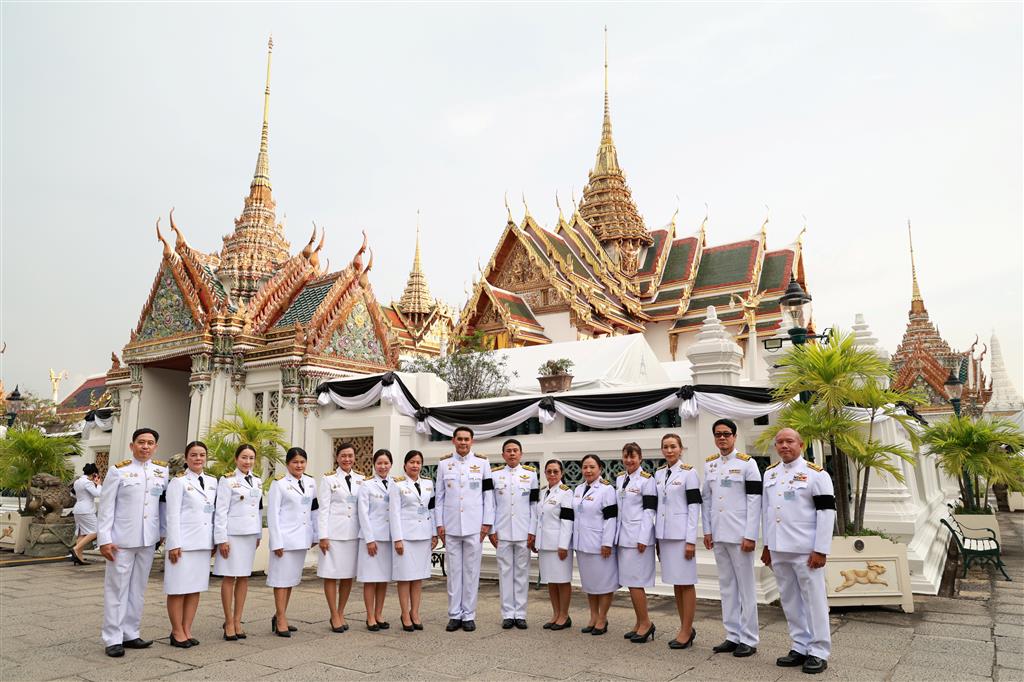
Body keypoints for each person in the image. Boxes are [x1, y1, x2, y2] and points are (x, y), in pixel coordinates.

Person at [760, 428, 835, 675]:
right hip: (780, 548)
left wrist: (821, 549)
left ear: (800, 444)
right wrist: (768, 545)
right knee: (790, 600)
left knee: (814, 600)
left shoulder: (816, 475)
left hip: (806, 550)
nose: (784, 446)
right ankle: (800, 645)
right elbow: (767, 511)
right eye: (780, 442)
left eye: (789, 441)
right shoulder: (770, 473)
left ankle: (819, 650)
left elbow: (826, 513)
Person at [97, 427, 167, 657]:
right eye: (141, 442)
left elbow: (161, 506)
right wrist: (105, 539)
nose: (145, 446)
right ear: (132, 445)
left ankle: (131, 632)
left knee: (138, 589)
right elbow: (106, 508)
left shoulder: (160, 471)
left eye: (150, 443)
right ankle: (112, 637)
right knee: (117, 589)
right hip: (121, 540)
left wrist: (163, 533)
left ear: (155, 446)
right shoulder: (118, 471)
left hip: (148, 539)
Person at [702, 418, 762, 657]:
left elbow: (754, 500)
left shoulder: (748, 464)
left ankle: (749, 638)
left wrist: (750, 534)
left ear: (735, 437)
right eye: (718, 434)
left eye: (726, 434)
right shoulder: (710, 465)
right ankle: (732, 634)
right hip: (718, 534)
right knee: (727, 587)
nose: (722, 438)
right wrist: (707, 530)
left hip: (740, 536)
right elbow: (707, 499)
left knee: (746, 588)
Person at [434, 426, 494, 633]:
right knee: (454, 572)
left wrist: (487, 523)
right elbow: (439, 497)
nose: (463, 442)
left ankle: (468, 615)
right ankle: (454, 615)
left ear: (472, 441)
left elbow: (488, 496)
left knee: (471, 572)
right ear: (453, 441)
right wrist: (439, 524)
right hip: (451, 526)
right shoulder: (444, 464)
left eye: (466, 439)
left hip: (474, 527)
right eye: (459, 439)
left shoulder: (483, 463)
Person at [163, 441, 217, 648]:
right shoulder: (178, 482)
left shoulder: (212, 482)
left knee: (195, 588)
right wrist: (174, 543)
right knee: (178, 588)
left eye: (202, 455)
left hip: (203, 542)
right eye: (193, 455)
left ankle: (187, 629)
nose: (198, 459)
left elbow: (212, 514)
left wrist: (213, 541)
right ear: (186, 458)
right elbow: (172, 515)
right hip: (183, 543)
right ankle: (176, 632)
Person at [655, 433, 702, 649]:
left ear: (681, 449)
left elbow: (694, 507)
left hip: (682, 536)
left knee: (686, 582)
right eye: (665, 447)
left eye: (673, 446)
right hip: (665, 536)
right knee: (676, 582)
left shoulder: (689, 473)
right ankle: (684, 626)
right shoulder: (658, 474)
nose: (669, 450)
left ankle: (686, 630)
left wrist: (691, 540)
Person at [213, 444, 262, 640]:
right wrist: (221, 539)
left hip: (250, 535)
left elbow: (257, 509)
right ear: (236, 459)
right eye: (244, 457)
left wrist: (258, 534)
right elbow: (221, 511)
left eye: (251, 458)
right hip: (232, 535)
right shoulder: (227, 481)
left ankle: (238, 619)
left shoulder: (257, 481)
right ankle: (228, 621)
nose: (247, 461)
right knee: (229, 577)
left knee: (243, 577)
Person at [267, 447, 318, 637]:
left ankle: (281, 615)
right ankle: (281, 619)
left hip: (302, 538)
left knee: (290, 580)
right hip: (285, 540)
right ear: (288, 464)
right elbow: (273, 515)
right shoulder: (279, 484)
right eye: (295, 462)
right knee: (281, 581)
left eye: (302, 462)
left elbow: (314, 510)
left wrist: (315, 536)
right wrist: (277, 542)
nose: (299, 465)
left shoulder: (311, 482)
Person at [488, 438, 539, 630]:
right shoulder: (495, 475)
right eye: (508, 450)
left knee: (522, 573)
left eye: (515, 450)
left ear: (521, 454)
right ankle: (508, 613)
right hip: (502, 532)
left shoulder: (530, 475)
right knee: (505, 572)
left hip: (523, 531)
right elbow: (490, 505)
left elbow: (534, 505)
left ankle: (521, 613)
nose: (511, 453)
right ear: (503, 455)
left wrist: (532, 530)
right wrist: (491, 530)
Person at [317, 442, 365, 633]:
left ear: (354, 458)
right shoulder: (328, 479)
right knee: (330, 574)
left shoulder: (361, 479)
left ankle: (340, 611)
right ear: (337, 458)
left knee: (347, 576)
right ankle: (333, 613)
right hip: (334, 534)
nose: (347, 459)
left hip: (353, 534)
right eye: (343, 456)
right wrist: (323, 536)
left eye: (350, 456)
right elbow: (323, 509)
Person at [389, 450, 437, 631]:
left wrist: (433, 534)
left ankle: (415, 612)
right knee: (405, 577)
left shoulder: (428, 483)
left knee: (418, 577)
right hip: (406, 537)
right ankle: (404, 613)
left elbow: (431, 510)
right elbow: (394, 513)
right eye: (411, 462)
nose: (415, 465)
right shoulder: (397, 484)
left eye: (418, 462)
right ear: (405, 465)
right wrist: (398, 539)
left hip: (423, 536)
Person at [616, 442, 658, 643]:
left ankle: (646, 623)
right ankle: (639, 622)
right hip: (623, 538)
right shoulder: (620, 479)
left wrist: (643, 537)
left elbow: (649, 510)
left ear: (640, 458)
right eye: (626, 456)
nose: (629, 460)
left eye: (633, 457)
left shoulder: (647, 480)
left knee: (636, 583)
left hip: (638, 539)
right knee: (630, 583)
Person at [573, 453, 618, 636]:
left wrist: (607, 542)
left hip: (601, 545)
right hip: (582, 544)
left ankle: (602, 617)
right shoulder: (577, 489)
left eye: (592, 467)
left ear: (600, 469)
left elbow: (611, 518)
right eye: (585, 467)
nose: (588, 470)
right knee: (590, 583)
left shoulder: (606, 490)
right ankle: (593, 616)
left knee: (605, 583)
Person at [531, 458, 574, 631]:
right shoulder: (542, 492)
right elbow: (537, 518)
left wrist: (563, 545)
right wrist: (535, 539)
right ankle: (555, 614)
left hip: (558, 545)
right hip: (544, 544)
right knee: (550, 581)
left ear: (561, 473)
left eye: (556, 471)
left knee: (562, 581)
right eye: (549, 471)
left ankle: (564, 615)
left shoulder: (566, 492)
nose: (552, 474)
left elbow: (567, 520)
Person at [357, 448, 394, 631]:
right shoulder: (367, 485)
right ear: (374, 465)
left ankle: (379, 614)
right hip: (372, 538)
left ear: (391, 465)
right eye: (379, 463)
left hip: (388, 538)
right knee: (370, 579)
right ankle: (370, 616)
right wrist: (369, 539)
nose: (383, 466)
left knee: (383, 579)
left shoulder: (395, 483)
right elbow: (363, 513)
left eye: (386, 463)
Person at [71, 462, 102, 564]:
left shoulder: (78, 481)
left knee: (82, 534)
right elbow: (98, 494)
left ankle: (79, 558)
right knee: (96, 531)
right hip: (86, 510)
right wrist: (98, 485)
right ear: (94, 474)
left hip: (78, 509)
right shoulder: (87, 482)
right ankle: (76, 549)